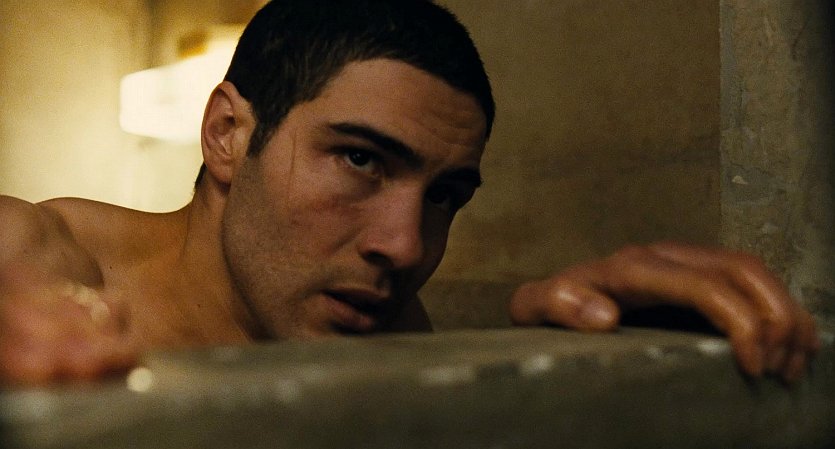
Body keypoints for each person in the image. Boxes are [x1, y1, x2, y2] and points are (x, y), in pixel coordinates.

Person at [0, 0, 819, 386]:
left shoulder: (379, 322)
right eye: (360, 159)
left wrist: (575, 355)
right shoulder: (39, 255)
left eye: (445, 195)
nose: (405, 246)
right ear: (226, 133)